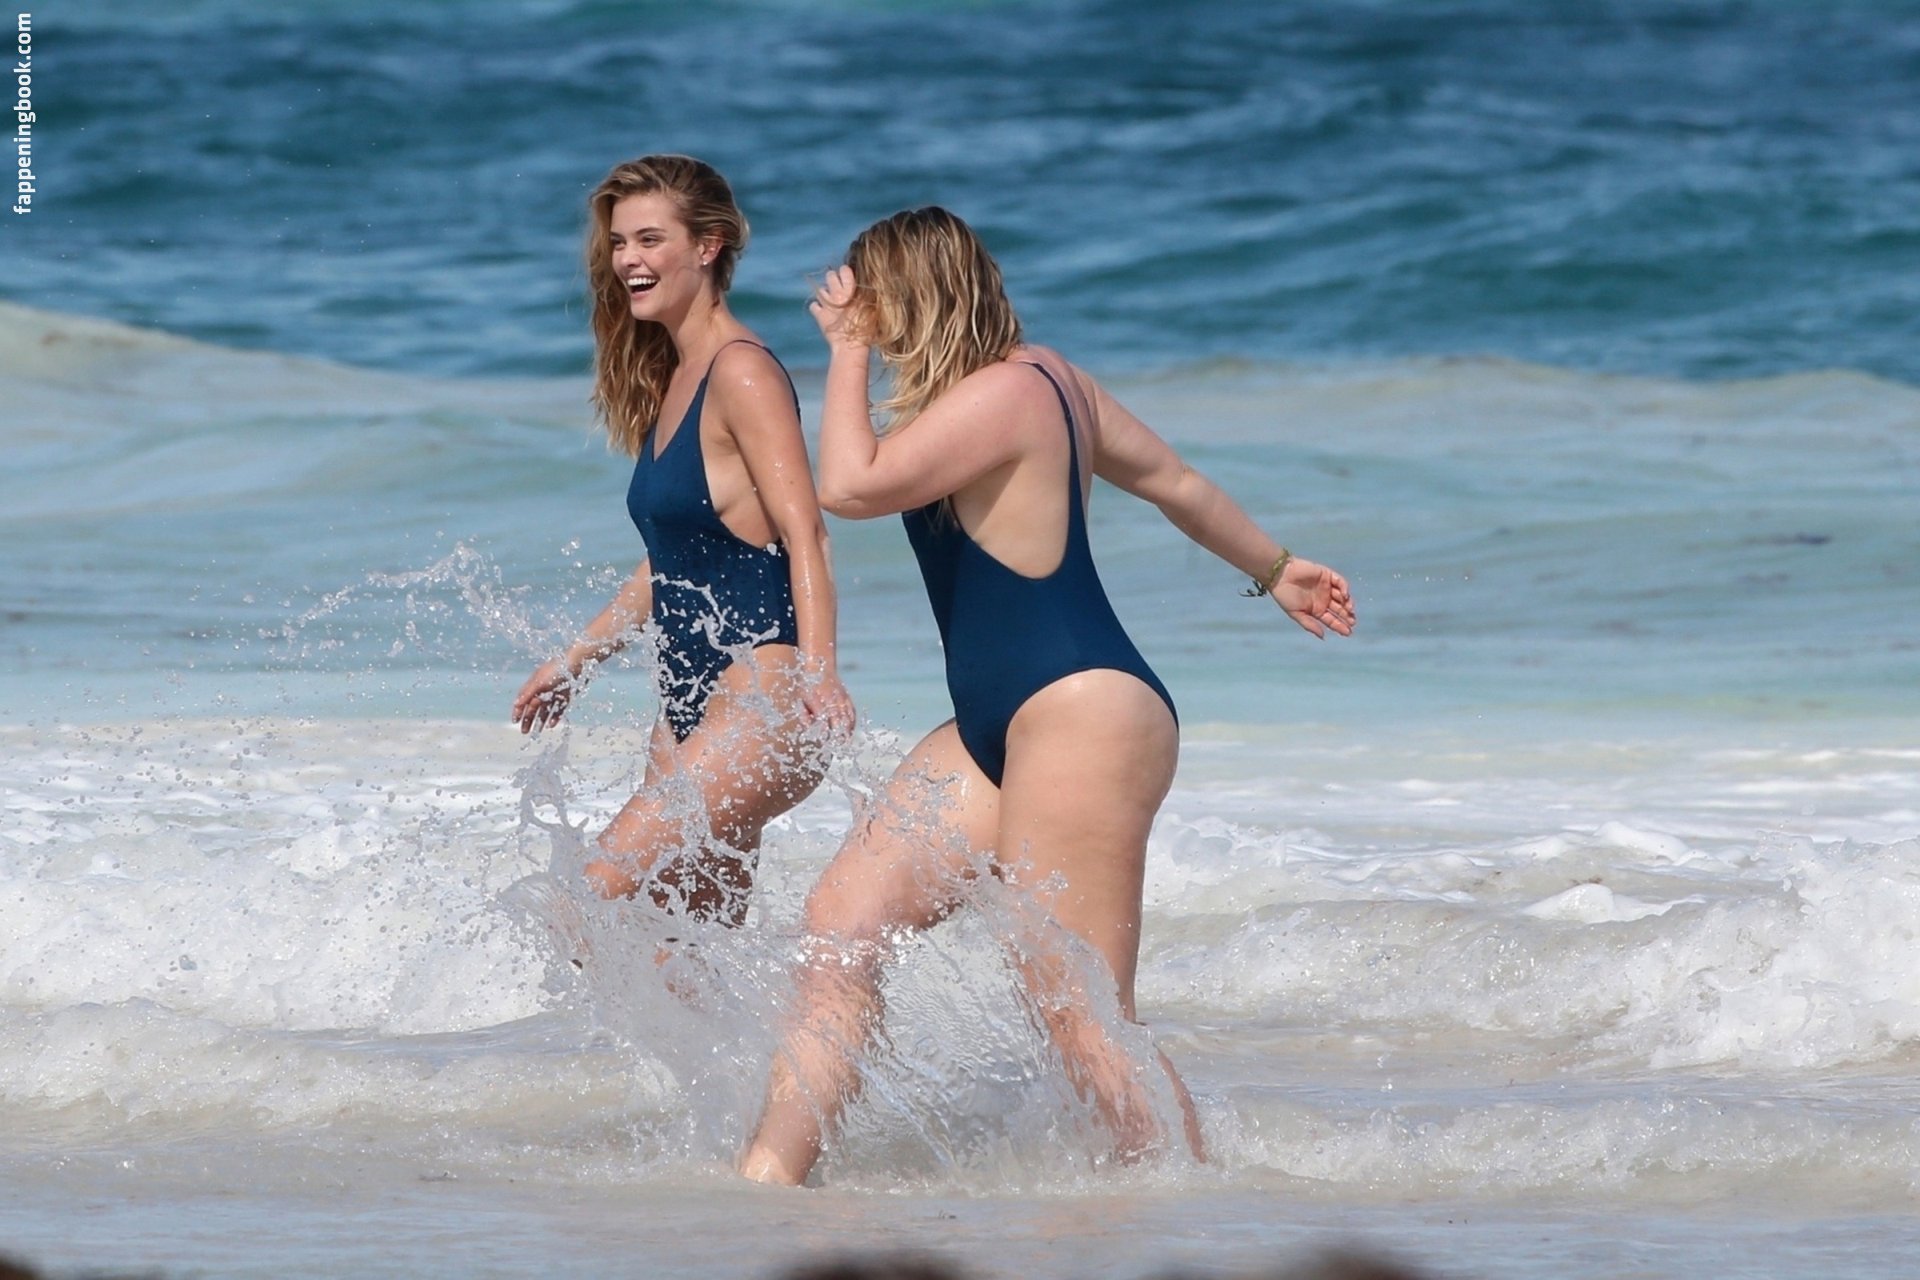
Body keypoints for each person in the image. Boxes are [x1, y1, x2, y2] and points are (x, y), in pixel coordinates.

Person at [738, 207, 1355, 1185]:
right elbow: (1176, 481)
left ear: (911, 295)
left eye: (871, 299)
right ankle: (770, 1179)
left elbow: (850, 487)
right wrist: (1276, 568)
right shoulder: (1021, 389)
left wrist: (845, 353)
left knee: (1078, 1006)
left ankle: (1181, 1199)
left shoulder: (1019, 390)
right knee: (841, 927)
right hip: (999, 727)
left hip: (1082, 712)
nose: (862, 317)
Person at [511, 155, 852, 924]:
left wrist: (820, 675)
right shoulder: (678, 376)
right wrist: (577, 659)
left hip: (761, 700)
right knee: (681, 956)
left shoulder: (742, 373)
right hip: (689, 704)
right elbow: (672, 563)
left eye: (649, 239)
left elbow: (807, 533)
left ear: (708, 245)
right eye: (619, 242)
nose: (627, 260)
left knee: (580, 904)